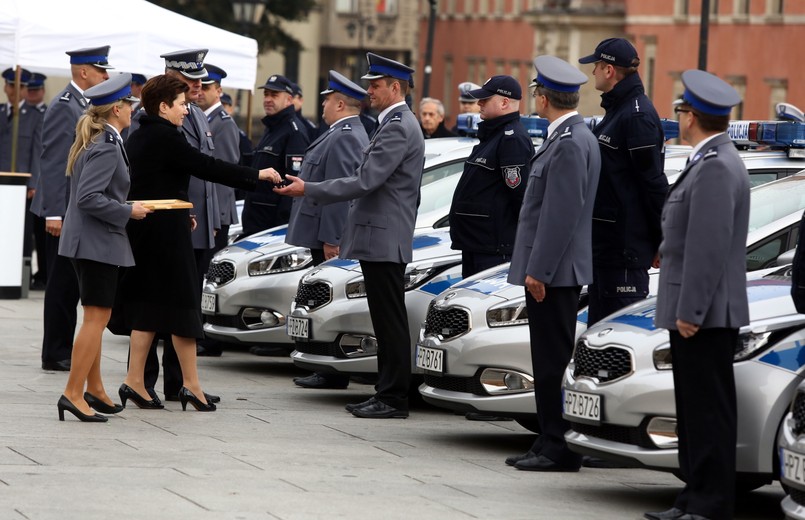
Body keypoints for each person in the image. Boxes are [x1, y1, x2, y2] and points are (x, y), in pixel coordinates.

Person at [113, 74, 281, 412]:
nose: (186, 111)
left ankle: (135, 381)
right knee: (183, 308)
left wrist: (179, 211)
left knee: (148, 310)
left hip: (154, 229)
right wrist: (256, 176)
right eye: (181, 104)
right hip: (164, 237)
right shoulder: (164, 136)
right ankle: (190, 385)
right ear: (163, 107)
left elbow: (153, 183)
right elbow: (206, 166)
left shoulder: (144, 133)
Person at [275, 52, 425, 419]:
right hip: (381, 234)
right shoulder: (392, 123)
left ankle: (393, 398)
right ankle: (387, 392)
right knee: (385, 317)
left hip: (384, 236)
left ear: (395, 87)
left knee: (389, 320)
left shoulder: (398, 125)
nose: (369, 90)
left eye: (375, 85)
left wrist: (308, 188)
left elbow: (365, 181)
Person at [645, 70, 749, 520]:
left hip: (704, 314)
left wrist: (691, 310)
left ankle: (710, 503)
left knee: (709, 411)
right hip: (696, 310)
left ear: (691, 117)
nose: (679, 118)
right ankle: (693, 496)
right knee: (692, 408)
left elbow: (708, 248)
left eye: (681, 110)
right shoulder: (708, 161)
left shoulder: (718, 166)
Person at [504, 55, 600, 472]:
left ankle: (558, 446)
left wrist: (539, 270)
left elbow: (560, 216)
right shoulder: (566, 137)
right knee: (545, 360)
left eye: (537, 92)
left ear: (544, 98)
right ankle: (547, 441)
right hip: (554, 270)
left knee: (551, 362)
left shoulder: (571, 142)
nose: (535, 99)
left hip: (555, 273)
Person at [56, 73, 151, 422]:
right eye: (129, 104)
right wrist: (129, 210)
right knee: (96, 319)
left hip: (91, 242)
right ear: (116, 109)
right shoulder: (106, 146)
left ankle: (94, 388)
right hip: (96, 243)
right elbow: (88, 198)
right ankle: (72, 393)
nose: (132, 110)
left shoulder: (103, 141)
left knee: (96, 318)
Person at [284, 70, 370, 390]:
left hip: (329, 236)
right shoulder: (339, 131)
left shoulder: (347, 135)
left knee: (327, 300)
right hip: (322, 232)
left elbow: (340, 193)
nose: (322, 106)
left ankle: (332, 370)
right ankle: (324, 363)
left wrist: (332, 239)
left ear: (340, 104)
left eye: (326, 101)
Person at [30, 46, 112, 372]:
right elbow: (51, 161)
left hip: (73, 209)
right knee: (62, 284)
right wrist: (54, 212)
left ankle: (60, 348)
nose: (105, 76)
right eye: (100, 70)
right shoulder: (65, 105)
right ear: (83, 72)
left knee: (70, 283)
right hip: (61, 211)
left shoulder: (84, 104)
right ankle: (55, 352)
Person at [578, 38, 668, 327]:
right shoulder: (619, 111)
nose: (592, 73)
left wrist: (662, 239)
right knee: (598, 341)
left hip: (624, 252)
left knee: (617, 338)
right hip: (608, 247)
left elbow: (652, 183)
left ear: (609, 70)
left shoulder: (636, 116)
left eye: (596, 66)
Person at [449, 75, 532, 279]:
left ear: (504, 102)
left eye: (485, 99)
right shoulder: (493, 135)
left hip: (494, 249)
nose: (479, 103)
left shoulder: (512, 139)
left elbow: (520, 196)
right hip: (478, 244)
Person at [196, 63, 241, 357]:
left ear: (219, 91)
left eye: (207, 88)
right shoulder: (200, 117)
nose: (201, 93)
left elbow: (224, 174)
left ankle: (209, 337)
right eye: (200, 87)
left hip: (215, 212)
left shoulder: (222, 122)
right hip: (204, 209)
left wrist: (217, 217)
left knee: (207, 276)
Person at [240, 74, 310, 237]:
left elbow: (293, 183)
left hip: (271, 226)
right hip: (256, 220)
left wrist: (281, 228)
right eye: (266, 94)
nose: (268, 99)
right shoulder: (272, 128)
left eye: (274, 95)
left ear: (289, 100)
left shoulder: (294, 132)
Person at [0, 68, 43, 289]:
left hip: (21, 186)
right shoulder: (1, 113)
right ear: (6, 88)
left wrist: (34, 182)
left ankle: (18, 277)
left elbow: (37, 151)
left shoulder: (35, 117)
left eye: (20, 88)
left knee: (23, 233)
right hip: (2, 183)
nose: (14, 91)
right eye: (11, 86)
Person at [22, 71, 48, 290]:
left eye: (35, 90)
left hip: (37, 184)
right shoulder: (15, 113)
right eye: (28, 90)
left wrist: (34, 182)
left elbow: (39, 151)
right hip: (16, 183)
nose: (31, 94)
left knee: (39, 231)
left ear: (42, 91)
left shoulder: (45, 114)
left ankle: (42, 274)